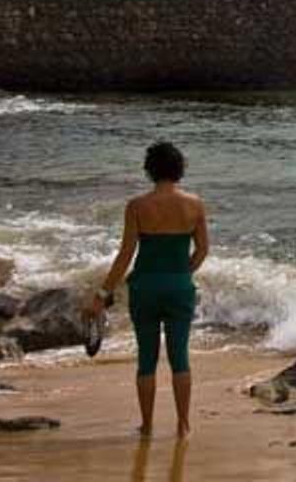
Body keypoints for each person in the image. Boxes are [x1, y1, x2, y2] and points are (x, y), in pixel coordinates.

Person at [87, 141, 209, 438]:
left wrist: (102, 294)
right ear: (179, 169)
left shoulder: (137, 206)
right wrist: (181, 274)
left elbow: (126, 254)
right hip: (179, 286)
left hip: (145, 288)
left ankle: (148, 425)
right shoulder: (195, 204)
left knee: (147, 359)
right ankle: (183, 425)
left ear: (150, 170)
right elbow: (203, 251)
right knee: (180, 357)